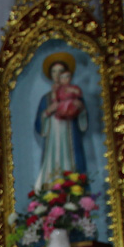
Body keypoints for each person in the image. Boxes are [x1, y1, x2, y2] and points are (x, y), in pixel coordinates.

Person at [34, 52, 89, 188]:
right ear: (50, 75)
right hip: (53, 138)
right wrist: (48, 111)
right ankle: (52, 192)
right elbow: (40, 126)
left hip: (70, 136)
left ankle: (74, 191)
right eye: (54, 72)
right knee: (54, 162)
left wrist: (80, 109)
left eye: (61, 71)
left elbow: (83, 121)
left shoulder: (74, 94)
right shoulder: (46, 99)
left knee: (70, 163)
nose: (57, 75)